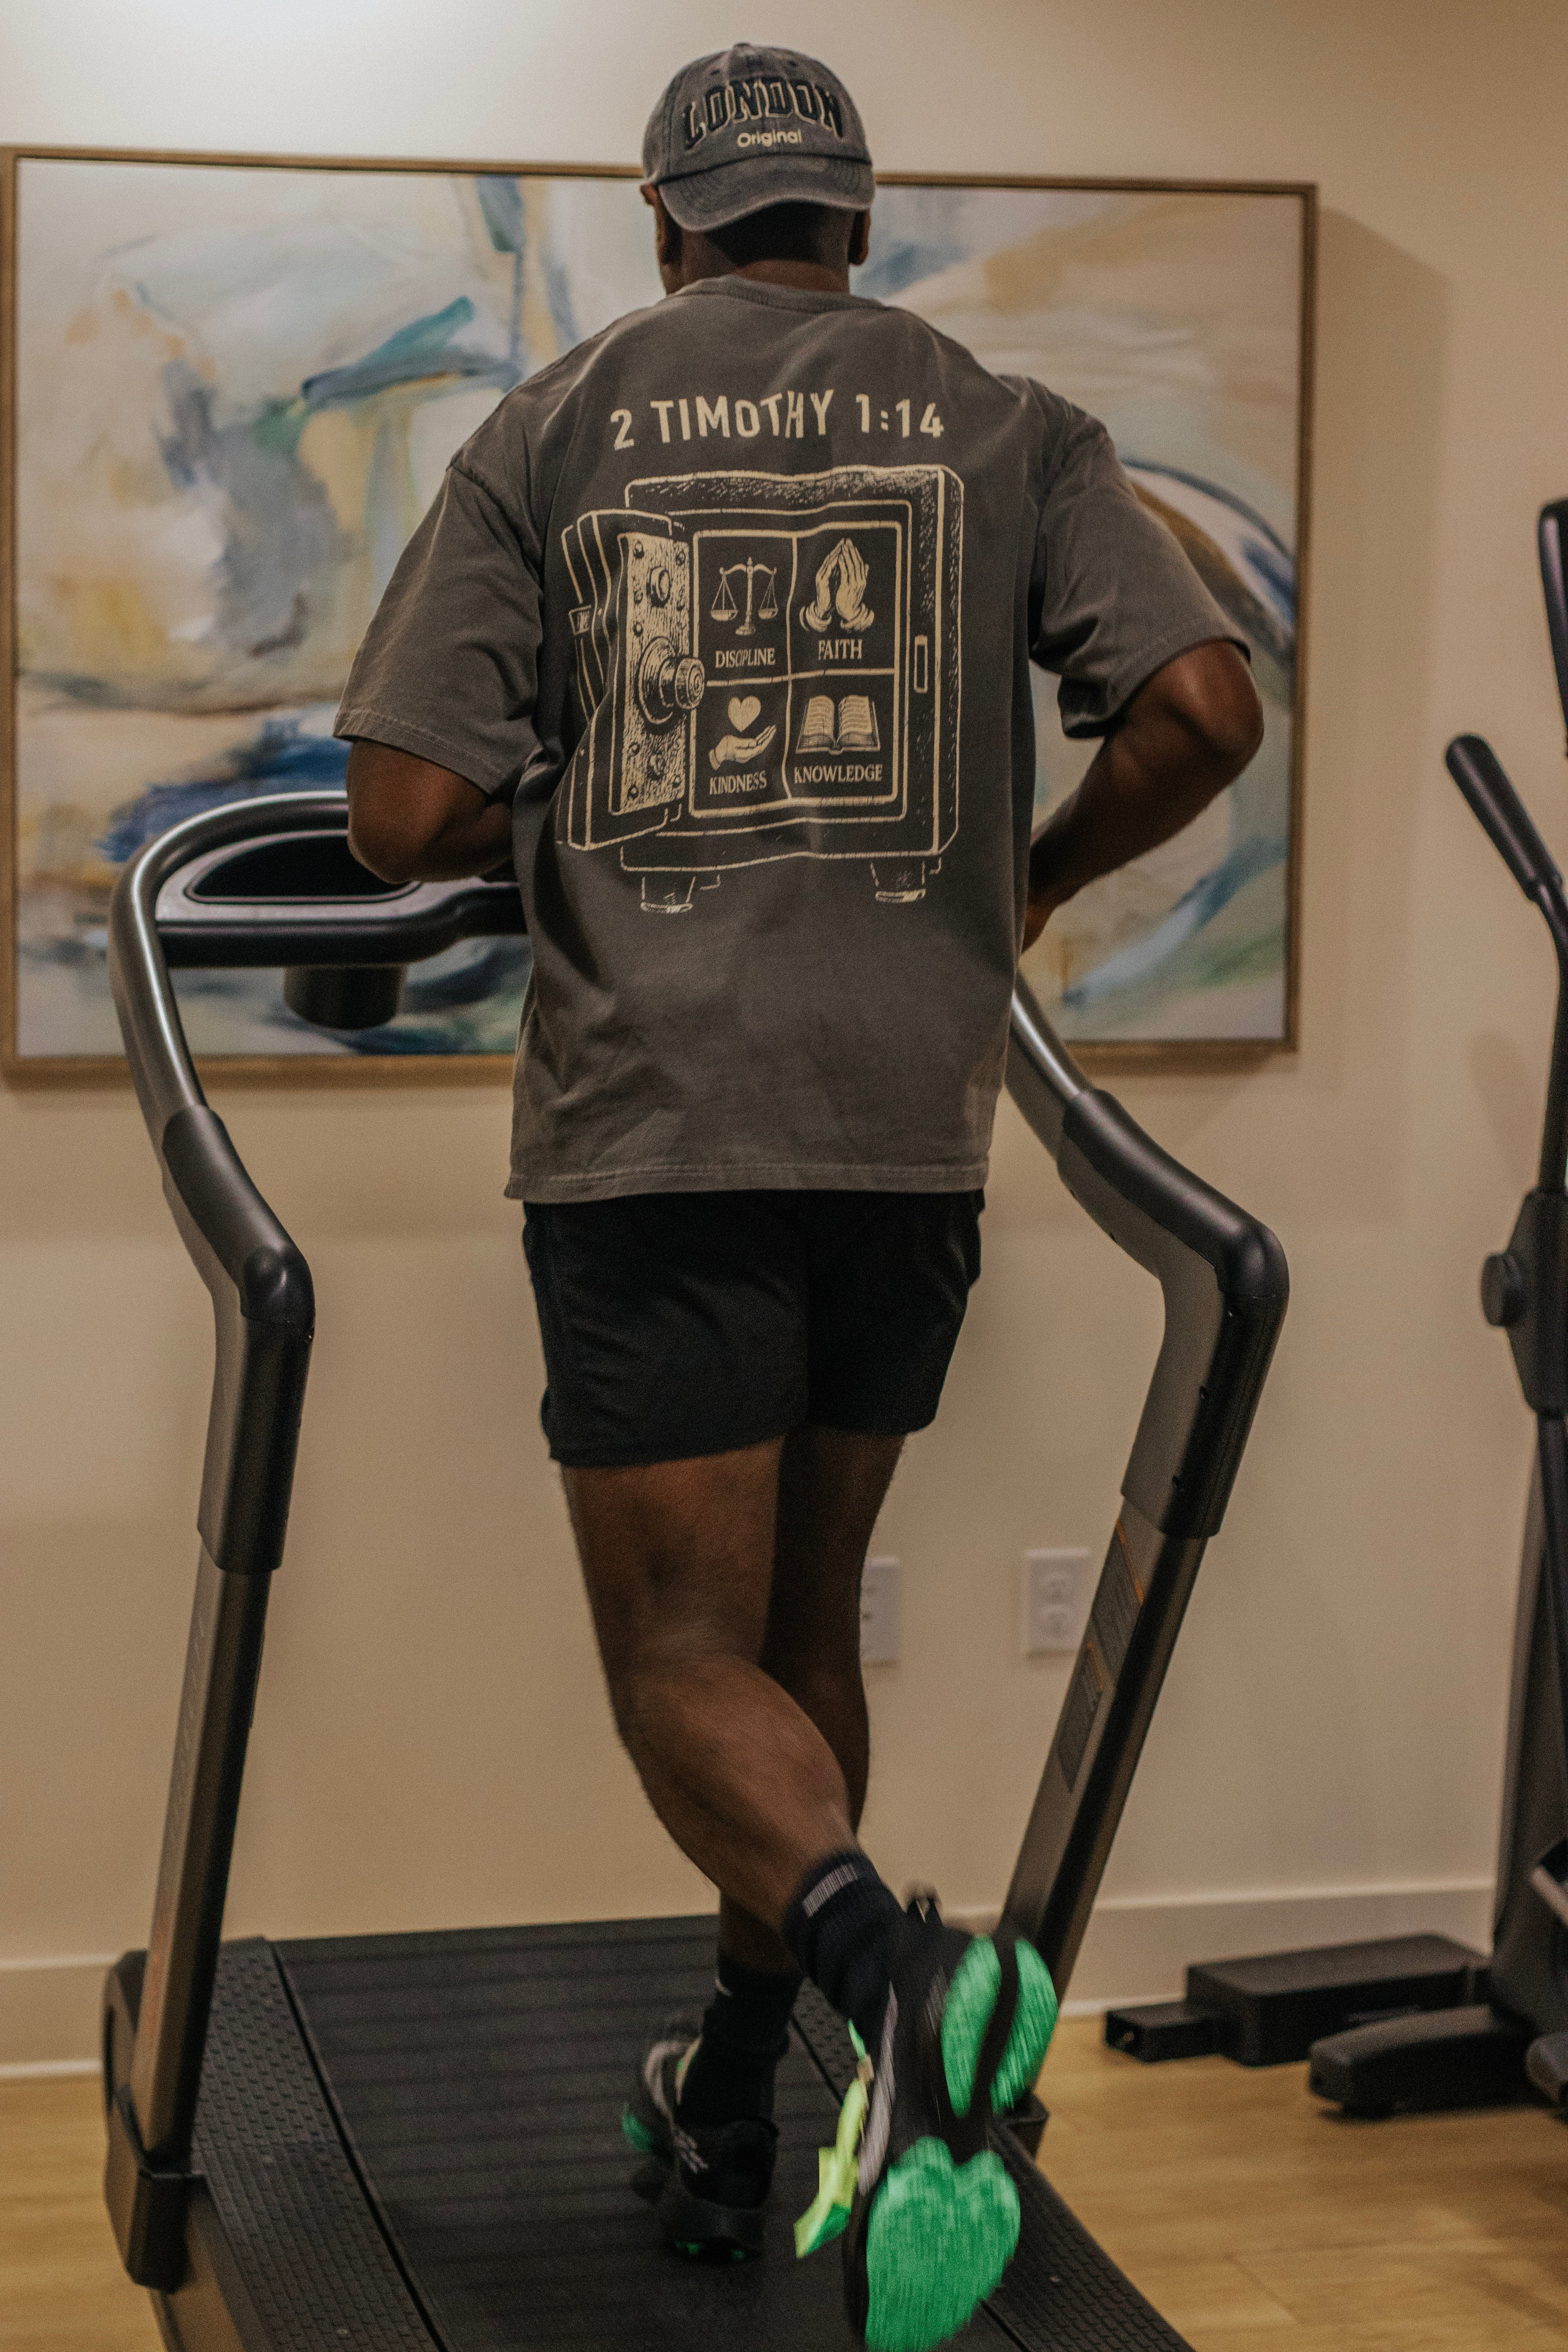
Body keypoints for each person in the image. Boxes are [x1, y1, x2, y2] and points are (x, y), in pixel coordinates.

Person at [337, 42, 1263, 2352]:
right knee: (806, 1625)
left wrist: (534, 830)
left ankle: (896, 1966)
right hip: (904, 1125)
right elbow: (1205, 715)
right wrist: (1017, 890)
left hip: (657, 1127)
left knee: (677, 1663)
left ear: (671, 220)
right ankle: (742, 2092)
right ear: (855, 218)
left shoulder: (556, 423)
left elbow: (396, 807)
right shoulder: (1005, 417)